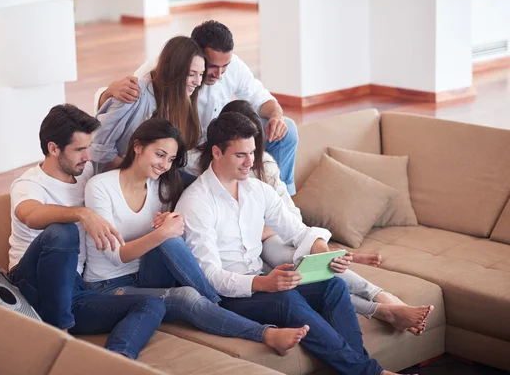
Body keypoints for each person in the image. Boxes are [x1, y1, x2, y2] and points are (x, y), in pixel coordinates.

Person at [176, 112, 420, 375]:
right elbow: (209, 276)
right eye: (240, 155)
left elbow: (299, 232)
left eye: (252, 153)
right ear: (216, 152)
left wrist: (325, 256)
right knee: (286, 300)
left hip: (260, 282)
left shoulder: (256, 190)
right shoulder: (197, 203)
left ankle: (361, 368)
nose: (250, 162)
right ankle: (372, 372)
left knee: (333, 286)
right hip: (225, 297)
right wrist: (263, 284)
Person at [84, 118, 309, 355]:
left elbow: (171, 237)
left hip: (147, 275)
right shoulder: (100, 186)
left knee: (169, 238)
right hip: (109, 285)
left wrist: (170, 226)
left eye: (170, 159)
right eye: (159, 154)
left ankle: (215, 303)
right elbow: (115, 256)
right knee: (187, 296)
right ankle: (256, 328)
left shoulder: (161, 186)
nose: (164, 165)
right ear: (138, 146)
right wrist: (160, 234)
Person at [8, 104, 167, 359]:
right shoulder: (28, 184)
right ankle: (60, 337)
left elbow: (128, 170)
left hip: (74, 288)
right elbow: (30, 215)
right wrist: (82, 213)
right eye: (80, 149)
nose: (88, 156)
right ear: (53, 148)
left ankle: (117, 362)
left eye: (88, 148)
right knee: (64, 231)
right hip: (32, 283)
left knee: (151, 304)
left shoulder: (85, 173)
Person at [96, 20, 299, 195]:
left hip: (211, 136)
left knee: (287, 131)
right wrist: (108, 92)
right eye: (212, 67)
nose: (219, 75)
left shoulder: (230, 66)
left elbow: (262, 98)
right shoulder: (160, 71)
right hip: (186, 148)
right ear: (195, 53)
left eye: (224, 67)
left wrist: (276, 116)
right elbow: (123, 106)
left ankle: (281, 198)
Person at [89, 35, 205, 179]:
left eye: (201, 74)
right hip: (121, 178)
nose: (198, 81)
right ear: (174, 70)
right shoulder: (133, 93)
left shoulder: (184, 101)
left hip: (155, 177)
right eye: (191, 74)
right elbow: (99, 149)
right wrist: (136, 174)